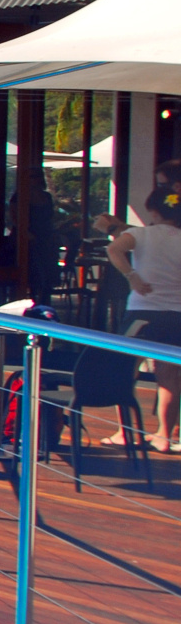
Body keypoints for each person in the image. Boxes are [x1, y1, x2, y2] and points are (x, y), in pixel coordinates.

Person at [106, 187, 181, 451]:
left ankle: (126, 432)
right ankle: (164, 435)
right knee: (170, 374)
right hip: (177, 314)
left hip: (142, 311)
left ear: (154, 211)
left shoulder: (140, 234)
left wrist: (131, 276)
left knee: (125, 369)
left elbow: (114, 249)